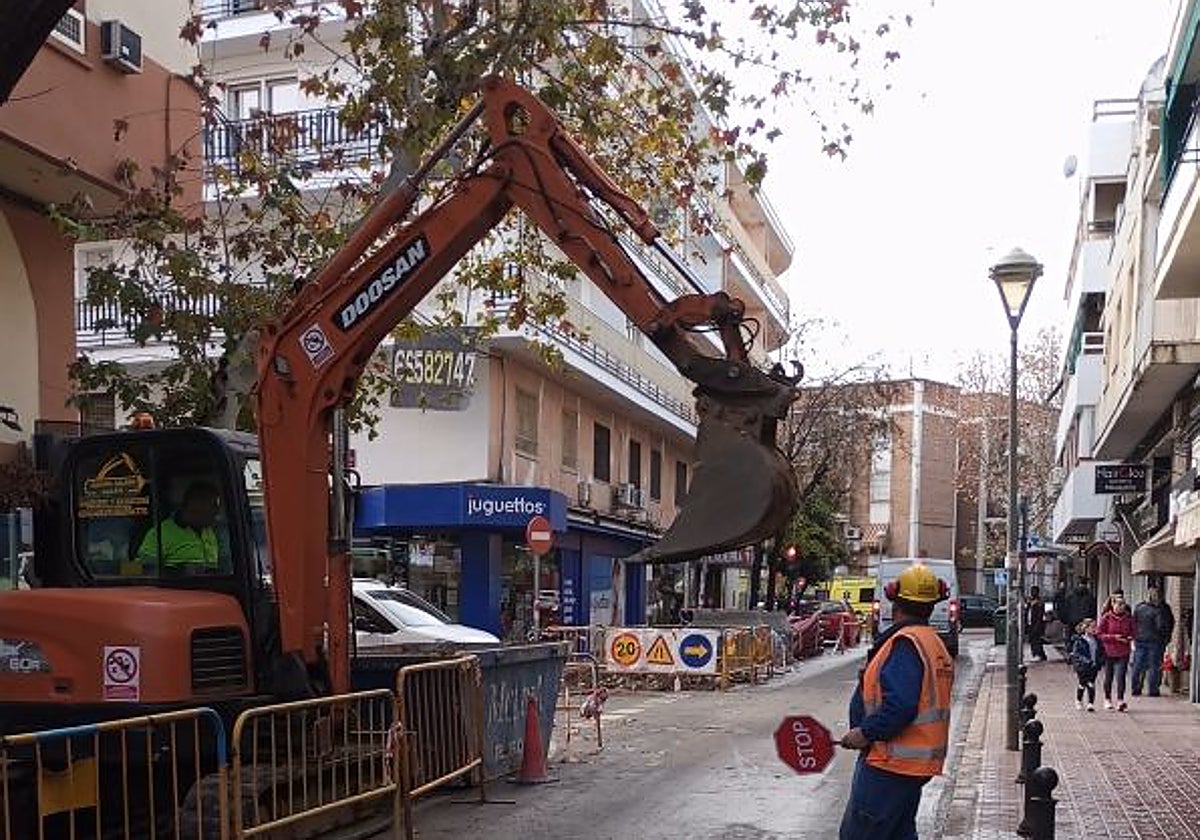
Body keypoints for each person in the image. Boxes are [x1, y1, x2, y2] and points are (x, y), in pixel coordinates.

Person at [838, 564, 956, 840]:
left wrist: (865, 732)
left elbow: (901, 705)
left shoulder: (906, 643)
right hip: (913, 765)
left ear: (894, 600)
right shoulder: (933, 642)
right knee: (899, 832)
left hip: (890, 764)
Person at [137, 481, 222, 571]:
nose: (216, 516)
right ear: (194, 508)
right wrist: (174, 571)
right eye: (211, 510)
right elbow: (135, 570)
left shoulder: (211, 532)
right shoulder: (160, 533)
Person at [1132, 586, 1174, 697]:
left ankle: (1136, 688)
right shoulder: (1160, 609)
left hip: (1140, 640)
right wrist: (1166, 637)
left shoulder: (1139, 607)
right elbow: (1162, 626)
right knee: (1154, 666)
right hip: (1155, 641)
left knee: (1138, 665)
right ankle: (1153, 690)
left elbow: (1134, 623)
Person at [1097, 589, 1135, 711]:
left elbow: (1134, 632)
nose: (1120, 607)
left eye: (1123, 604)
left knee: (1121, 676)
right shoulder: (1107, 617)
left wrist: (1129, 638)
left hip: (1123, 651)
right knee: (1109, 676)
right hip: (1109, 651)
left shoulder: (1129, 618)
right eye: (1118, 604)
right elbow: (1099, 633)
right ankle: (1107, 699)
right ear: (1112, 605)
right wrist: (1114, 637)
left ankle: (1120, 700)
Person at [1069, 618, 1104, 711]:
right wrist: (1086, 661)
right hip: (1082, 667)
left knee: (1091, 684)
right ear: (1085, 628)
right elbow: (1077, 654)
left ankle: (1090, 703)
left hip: (1094, 666)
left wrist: (1100, 661)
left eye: (1095, 627)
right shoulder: (1079, 640)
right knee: (1082, 683)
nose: (1094, 629)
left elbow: (1101, 651)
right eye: (1092, 627)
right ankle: (1078, 701)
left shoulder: (1097, 640)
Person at [1025, 585, 1047, 661]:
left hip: (1036, 624)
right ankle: (1039, 654)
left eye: (1033, 591)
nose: (1032, 593)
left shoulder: (1039, 602)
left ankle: (1037, 654)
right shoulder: (1030, 602)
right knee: (1033, 640)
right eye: (1031, 591)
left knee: (1036, 640)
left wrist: (1037, 625)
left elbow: (1040, 615)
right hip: (1030, 623)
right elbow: (1027, 611)